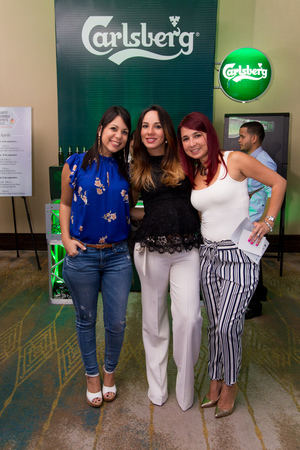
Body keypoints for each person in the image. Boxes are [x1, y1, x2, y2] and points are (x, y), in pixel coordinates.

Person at [177, 112, 286, 418]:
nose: (192, 142)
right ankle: (214, 379)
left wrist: (268, 220)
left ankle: (231, 383)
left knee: (228, 324)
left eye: (197, 135)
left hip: (239, 255)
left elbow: (278, 183)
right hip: (208, 256)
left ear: (208, 134)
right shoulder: (195, 172)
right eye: (185, 138)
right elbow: (205, 213)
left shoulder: (234, 160)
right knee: (215, 325)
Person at [130, 105, 202, 411]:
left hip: (187, 249)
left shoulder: (186, 160)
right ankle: (157, 388)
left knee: (189, 318)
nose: (150, 131)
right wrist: (146, 220)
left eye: (157, 126)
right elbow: (127, 207)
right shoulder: (136, 167)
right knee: (153, 322)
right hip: (150, 250)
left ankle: (185, 390)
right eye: (145, 126)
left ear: (167, 131)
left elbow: (203, 198)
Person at [60, 106, 133, 408]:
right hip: (84, 255)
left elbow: (132, 208)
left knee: (116, 322)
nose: (119, 136)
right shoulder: (75, 164)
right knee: (86, 319)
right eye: (114, 128)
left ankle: (109, 373)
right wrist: (66, 240)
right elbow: (65, 204)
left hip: (117, 256)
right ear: (100, 129)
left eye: (125, 132)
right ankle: (92, 376)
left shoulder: (129, 169)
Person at [239, 121, 277, 319]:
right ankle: (260, 292)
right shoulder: (252, 158)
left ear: (254, 138)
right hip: (250, 217)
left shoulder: (264, 161)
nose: (239, 140)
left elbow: (272, 191)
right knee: (253, 258)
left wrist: (265, 221)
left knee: (249, 263)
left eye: (242, 136)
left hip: (256, 220)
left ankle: (253, 306)